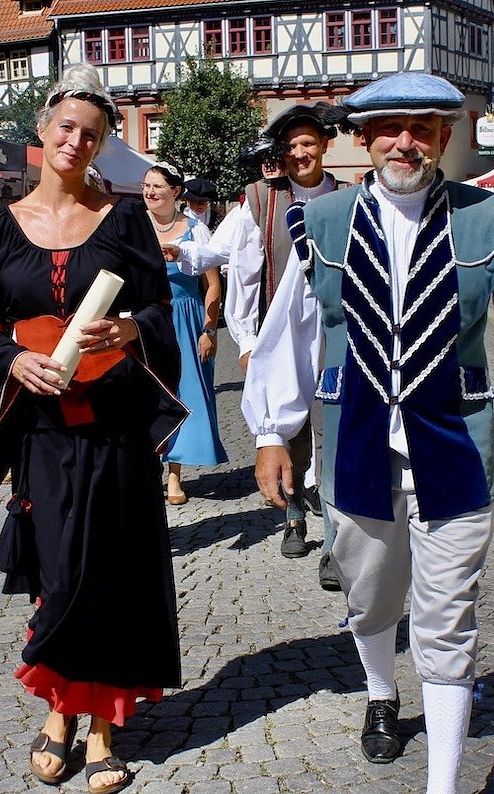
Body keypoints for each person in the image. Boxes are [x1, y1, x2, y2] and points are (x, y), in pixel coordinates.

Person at [241, 71, 494, 792]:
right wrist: (273, 431)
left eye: (423, 128)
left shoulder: (485, 217)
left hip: (455, 448)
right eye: (389, 128)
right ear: (365, 138)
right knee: (370, 596)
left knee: (446, 622)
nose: (406, 142)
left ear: (444, 135)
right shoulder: (323, 222)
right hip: (357, 448)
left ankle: (443, 785)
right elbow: (292, 332)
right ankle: (381, 692)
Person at [0, 62, 182, 794]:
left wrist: (129, 329)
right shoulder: (2, 226)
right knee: (58, 573)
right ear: (43, 129)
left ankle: (101, 729)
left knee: (110, 570)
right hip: (44, 432)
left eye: (91, 134)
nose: (76, 142)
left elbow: (158, 309)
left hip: (114, 429)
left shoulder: (124, 220)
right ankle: (58, 710)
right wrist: (13, 359)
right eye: (67, 127)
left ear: (101, 144)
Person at [212, 103, 350, 584]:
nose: (299, 153)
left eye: (308, 143)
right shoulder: (260, 199)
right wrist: (247, 341)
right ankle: (294, 516)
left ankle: (334, 539)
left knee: (334, 430)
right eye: (290, 146)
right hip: (280, 334)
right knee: (288, 430)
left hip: (337, 332)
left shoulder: (350, 198)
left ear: (325, 145)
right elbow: (245, 275)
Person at [142, 163, 228, 504]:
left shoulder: (196, 230)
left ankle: (174, 474)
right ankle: (147, 467)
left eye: (157, 186)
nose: (150, 192)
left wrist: (209, 330)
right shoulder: (134, 226)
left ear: (175, 191)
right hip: (146, 321)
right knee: (147, 395)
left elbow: (212, 286)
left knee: (185, 395)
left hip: (186, 318)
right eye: (146, 186)